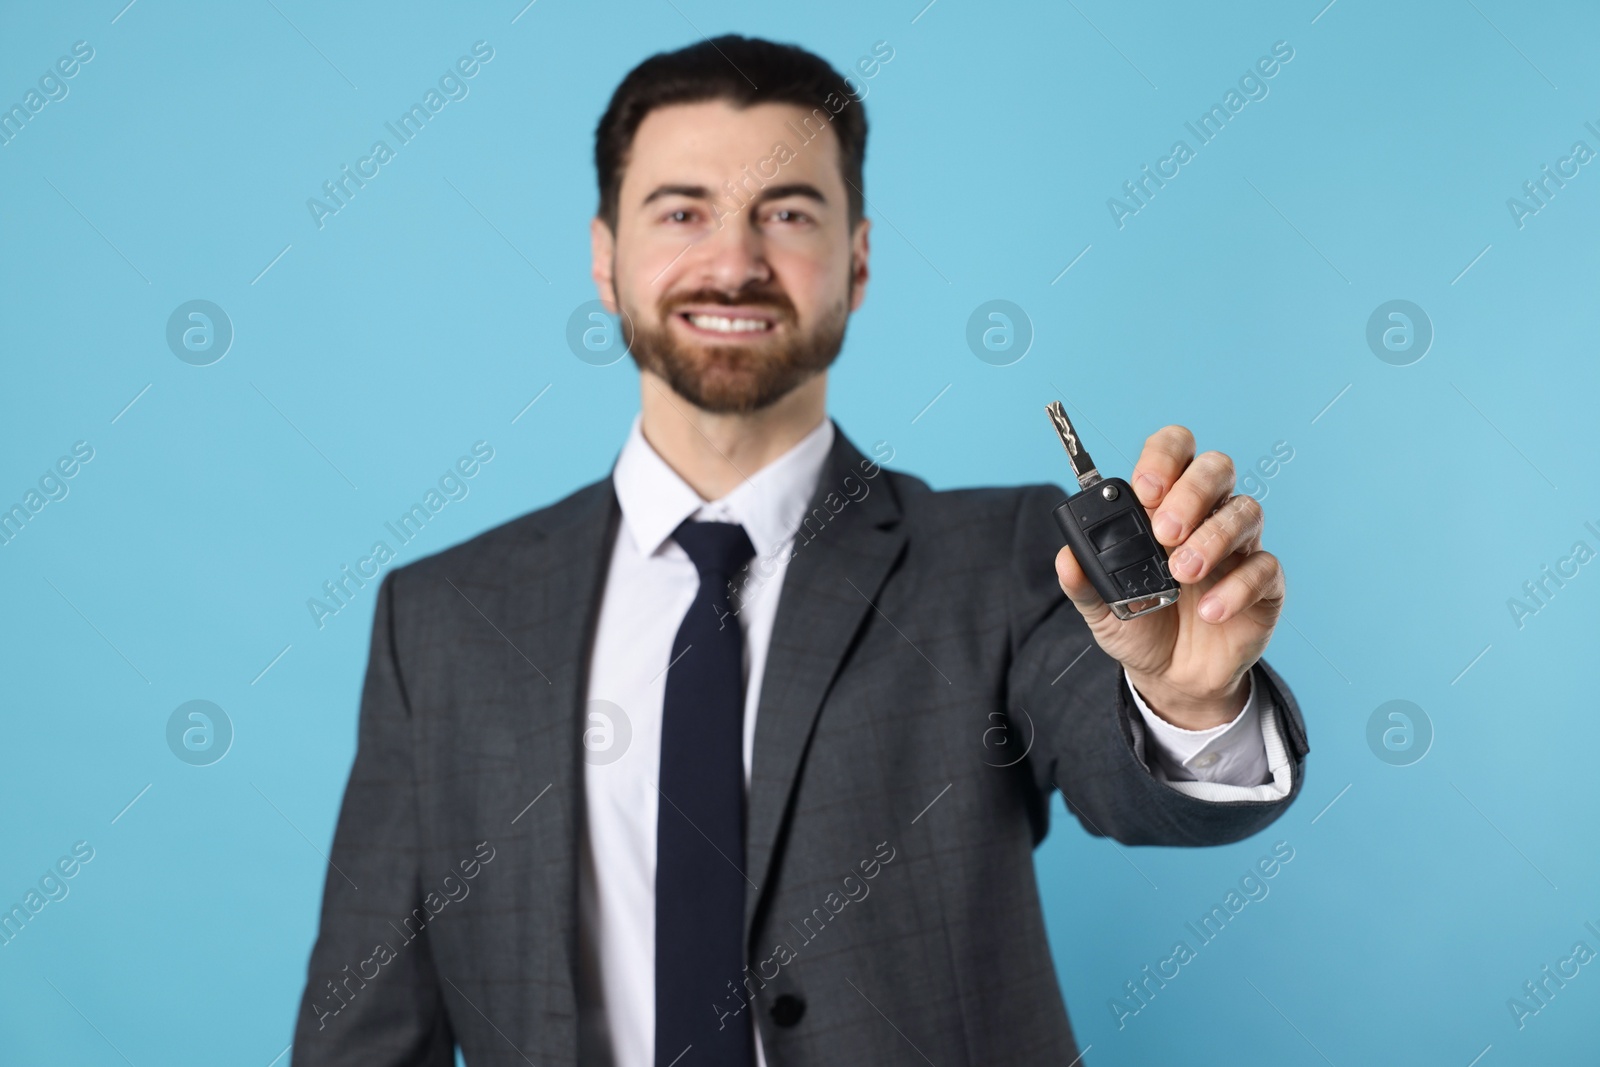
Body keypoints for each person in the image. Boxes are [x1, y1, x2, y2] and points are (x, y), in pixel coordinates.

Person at [291, 34, 1307, 1067]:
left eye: (785, 213)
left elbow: (1125, 777)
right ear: (604, 257)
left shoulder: (1000, 558)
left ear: (858, 260)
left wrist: (1183, 700)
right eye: (681, 211)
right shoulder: (445, 619)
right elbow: (366, 1031)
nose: (733, 262)